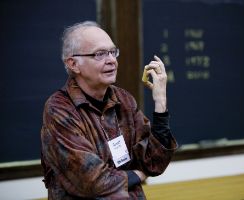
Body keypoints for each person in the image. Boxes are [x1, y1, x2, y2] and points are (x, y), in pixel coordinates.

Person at [40, 21, 177, 199]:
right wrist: (137, 175)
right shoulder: (59, 108)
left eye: (113, 52)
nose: (112, 60)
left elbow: (153, 162)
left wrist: (160, 102)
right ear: (73, 64)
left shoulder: (124, 100)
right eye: (100, 54)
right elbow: (92, 180)